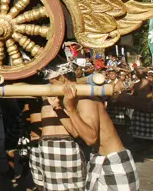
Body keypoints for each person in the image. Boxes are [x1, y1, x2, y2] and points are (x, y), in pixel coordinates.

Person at [62, 82, 140, 190]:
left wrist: (70, 110)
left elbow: (90, 139)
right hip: (101, 158)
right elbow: (76, 132)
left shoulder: (85, 99)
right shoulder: (78, 99)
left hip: (113, 162)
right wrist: (57, 108)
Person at [39, 61, 87, 191]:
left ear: (63, 77)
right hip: (47, 146)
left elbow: (76, 132)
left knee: (74, 187)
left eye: (53, 79)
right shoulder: (44, 90)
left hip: (67, 142)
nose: (50, 81)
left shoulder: (75, 93)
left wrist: (59, 109)